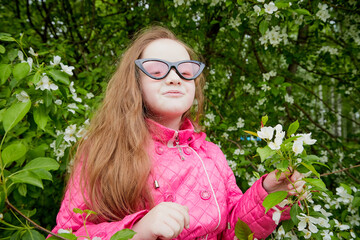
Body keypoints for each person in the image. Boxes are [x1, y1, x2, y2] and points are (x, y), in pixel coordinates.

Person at [50, 26, 305, 240]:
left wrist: (269, 195)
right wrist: (138, 230)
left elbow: (232, 231)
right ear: (134, 83)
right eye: (157, 70)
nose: (174, 78)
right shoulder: (106, 150)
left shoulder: (211, 155)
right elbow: (67, 233)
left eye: (185, 71)